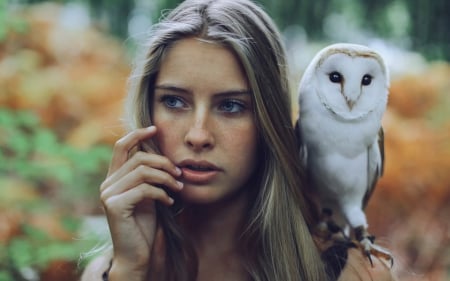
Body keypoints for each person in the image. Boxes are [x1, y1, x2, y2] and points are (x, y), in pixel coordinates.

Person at [81, 0, 396, 280]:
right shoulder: (113, 270)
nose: (198, 136)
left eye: (231, 106)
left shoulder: (354, 273)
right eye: (175, 101)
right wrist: (132, 269)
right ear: (147, 109)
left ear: (268, 120)